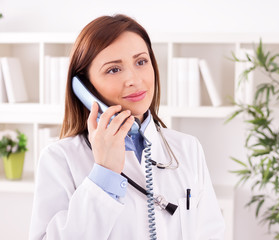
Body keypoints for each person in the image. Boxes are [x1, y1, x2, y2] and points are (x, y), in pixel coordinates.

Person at [29, 14, 225, 240]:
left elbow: (212, 233)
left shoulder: (188, 148)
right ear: (84, 86)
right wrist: (104, 173)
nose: (134, 79)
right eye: (113, 69)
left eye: (141, 62)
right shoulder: (59, 158)